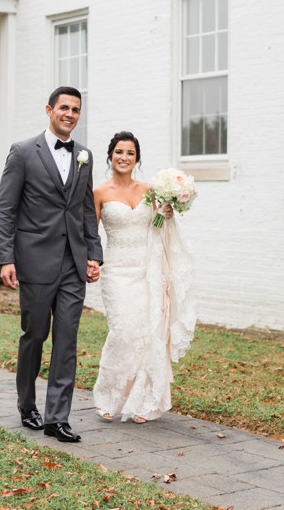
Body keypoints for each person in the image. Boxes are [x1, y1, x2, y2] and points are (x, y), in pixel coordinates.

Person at [0, 86, 103, 444]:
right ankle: (27, 405)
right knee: (35, 335)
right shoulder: (23, 152)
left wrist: (93, 253)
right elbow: (6, 208)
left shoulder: (84, 155)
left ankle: (58, 418)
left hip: (73, 263)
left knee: (67, 340)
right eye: (64, 108)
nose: (70, 114)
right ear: (49, 110)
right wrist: (6, 257)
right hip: (35, 261)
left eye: (76, 109)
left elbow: (86, 209)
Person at [91, 131, 196, 424]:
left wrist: (167, 213)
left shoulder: (150, 190)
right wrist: (91, 260)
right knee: (123, 331)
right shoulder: (99, 193)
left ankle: (144, 401)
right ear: (110, 155)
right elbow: (89, 233)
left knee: (147, 332)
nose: (124, 158)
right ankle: (109, 395)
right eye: (119, 152)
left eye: (130, 153)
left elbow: (159, 226)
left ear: (137, 159)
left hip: (147, 270)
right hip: (117, 270)